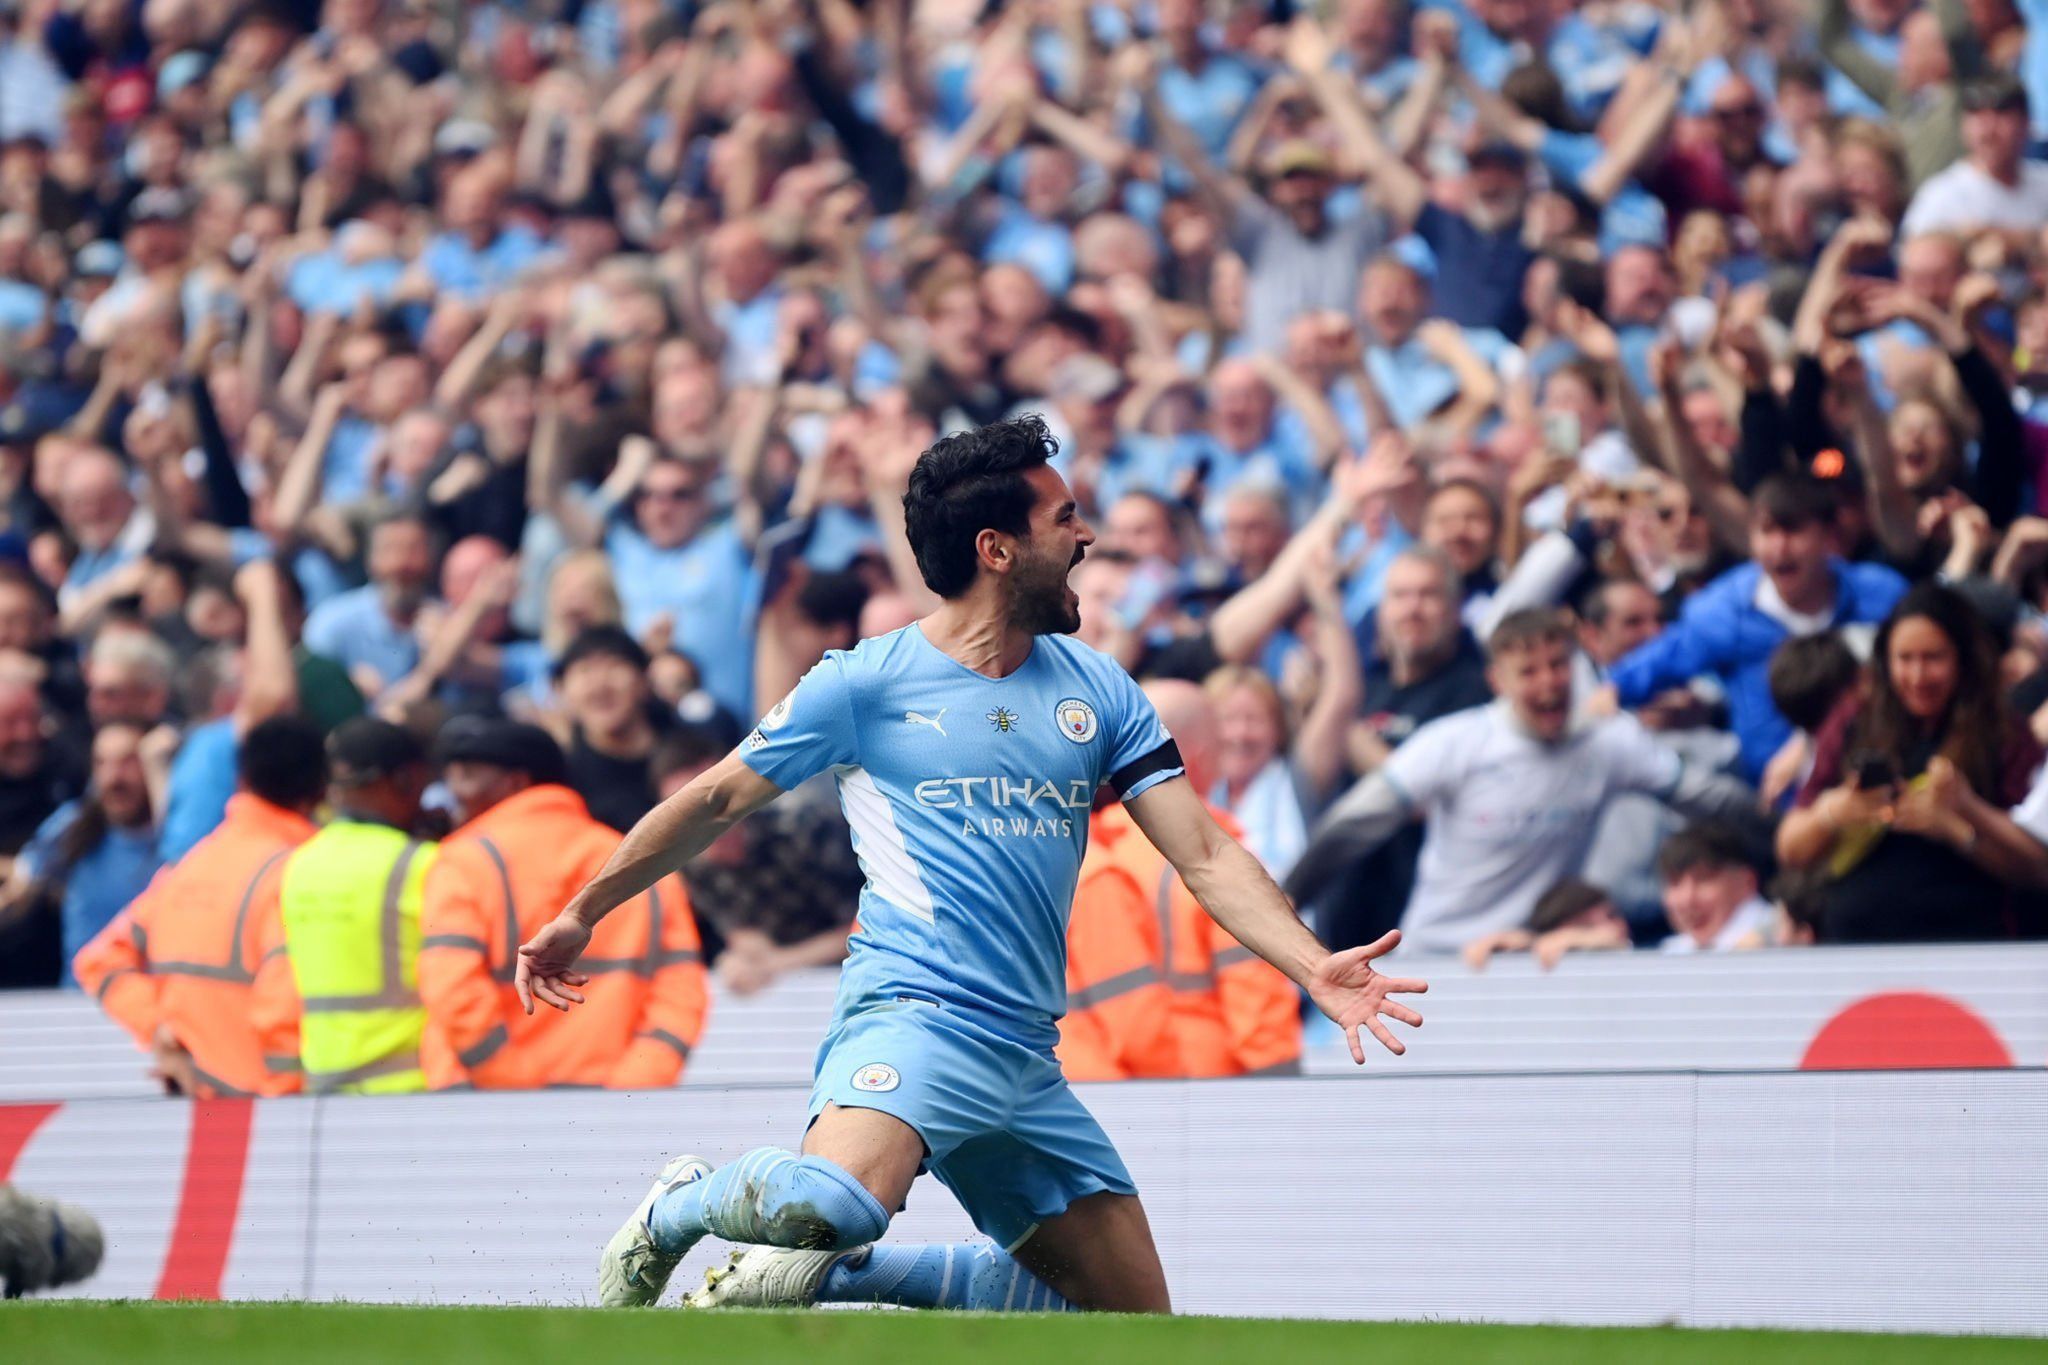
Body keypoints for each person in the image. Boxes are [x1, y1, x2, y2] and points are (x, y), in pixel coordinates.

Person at [515, 416, 1424, 1315]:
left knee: (1132, 1327)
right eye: (1064, 518)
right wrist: (584, 910)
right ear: (997, 547)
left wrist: (1314, 966)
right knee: (834, 1202)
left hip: (1024, 1054)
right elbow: (714, 799)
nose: (1087, 534)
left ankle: (839, 1279)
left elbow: (1207, 853)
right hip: (913, 1012)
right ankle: (679, 1203)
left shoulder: (1100, 688)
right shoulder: (863, 684)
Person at [1288, 609, 1760, 955]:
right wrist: (1288, 902)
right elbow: (1354, 824)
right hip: (1436, 955)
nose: (1548, 683)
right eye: (1528, 671)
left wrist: (1775, 833)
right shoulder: (1457, 741)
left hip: (1532, 956)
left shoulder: (1610, 743)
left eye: (1558, 665)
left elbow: (1711, 798)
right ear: (1498, 680)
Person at [417, 716, 708, 1090]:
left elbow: (452, 990)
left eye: (468, 776)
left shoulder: (463, 859)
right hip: (610, 1105)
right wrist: (632, 1086)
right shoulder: (642, 863)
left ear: (516, 782)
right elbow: (680, 994)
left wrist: (513, 1086)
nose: (453, 793)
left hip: (481, 1103)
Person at [71, 716, 328, 1098]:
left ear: (242, 780)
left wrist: (160, 1029)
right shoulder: (296, 873)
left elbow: (99, 960)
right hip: (261, 1110)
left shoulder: (188, 867)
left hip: (201, 1107)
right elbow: (282, 1008)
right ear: (320, 791)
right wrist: (284, 1103)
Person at [1777, 584, 2045, 941]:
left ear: (1963, 660)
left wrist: (1962, 817)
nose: (1917, 677)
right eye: (1905, 659)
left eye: (1933, 658)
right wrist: (1835, 811)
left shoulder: (2005, 735)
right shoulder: (1853, 723)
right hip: (1855, 947)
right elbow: (1790, 847)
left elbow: (2037, 868)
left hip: (1968, 946)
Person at [1065, 678, 1303, 1080]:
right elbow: (1259, 1012)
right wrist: (1284, 1099)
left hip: (1086, 1086)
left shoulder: (1083, 852)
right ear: (1203, 756)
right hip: (1204, 1097)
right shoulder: (1222, 863)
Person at [1607, 475, 1908, 783]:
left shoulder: (1880, 594)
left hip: (1887, 776)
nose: (1779, 547)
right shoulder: (1723, 611)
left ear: (1829, 536)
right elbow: (1645, 671)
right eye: (1766, 531)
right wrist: (1604, 698)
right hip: (1778, 800)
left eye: (1792, 530)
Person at [259, 719, 438, 1095]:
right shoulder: (422, 864)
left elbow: (276, 991)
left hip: (322, 1088)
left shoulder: (297, 865)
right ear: (405, 779)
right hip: (410, 1089)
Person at [5, 721, 160, 988]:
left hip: (149, 1009)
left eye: (128, 762)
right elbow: (19, 885)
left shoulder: (175, 839)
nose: (115, 777)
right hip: (79, 1006)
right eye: (102, 763)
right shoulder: (73, 827)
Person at [1656, 824, 1776, 954]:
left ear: (1747, 882)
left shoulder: (1785, 938)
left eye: (1703, 879)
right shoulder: (1671, 952)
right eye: (1675, 883)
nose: (1687, 899)